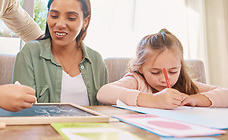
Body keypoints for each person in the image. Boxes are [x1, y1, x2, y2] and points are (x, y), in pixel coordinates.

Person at [12, 0, 108, 105]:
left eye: (71, 18)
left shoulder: (96, 60)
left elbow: (104, 111)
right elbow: (22, 109)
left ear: (85, 21)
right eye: (54, 16)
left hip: (88, 125)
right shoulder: (30, 53)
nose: (60, 24)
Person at [97, 29, 228, 109]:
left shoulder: (184, 84)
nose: (165, 78)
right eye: (155, 72)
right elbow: (103, 92)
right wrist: (154, 100)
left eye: (173, 71)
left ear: (180, 67)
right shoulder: (136, 81)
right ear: (140, 67)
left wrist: (195, 99)